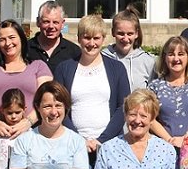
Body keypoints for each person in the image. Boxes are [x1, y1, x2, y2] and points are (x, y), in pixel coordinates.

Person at [55, 13, 132, 155]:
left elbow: (123, 107)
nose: (91, 43)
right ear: (79, 38)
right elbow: (59, 108)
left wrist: (101, 140)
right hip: (73, 146)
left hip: (109, 146)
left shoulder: (117, 68)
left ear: (103, 39)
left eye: (96, 38)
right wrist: (78, 140)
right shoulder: (64, 69)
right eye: (87, 38)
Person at [0, 19, 52, 140]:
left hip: (33, 135)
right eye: (2, 39)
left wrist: (27, 122)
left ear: (21, 39)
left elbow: (46, 100)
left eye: (12, 37)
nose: (8, 43)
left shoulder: (39, 67)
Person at [148, 36, 188, 148]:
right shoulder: (155, 86)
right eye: (171, 54)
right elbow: (150, 119)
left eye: (181, 54)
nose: (176, 59)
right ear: (165, 58)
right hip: (164, 146)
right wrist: (170, 140)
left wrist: (186, 137)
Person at [103, 8, 155, 92]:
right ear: (113, 32)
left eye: (130, 34)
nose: (125, 39)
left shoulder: (148, 61)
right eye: (121, 34)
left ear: (136, 34)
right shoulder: (103, 58)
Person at [27, 0, 81, 69]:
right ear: (38, 22)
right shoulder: (25, 49)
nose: (51, 26)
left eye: (55, 22)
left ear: (62, 24)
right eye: (46, 22)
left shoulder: (74, 52)